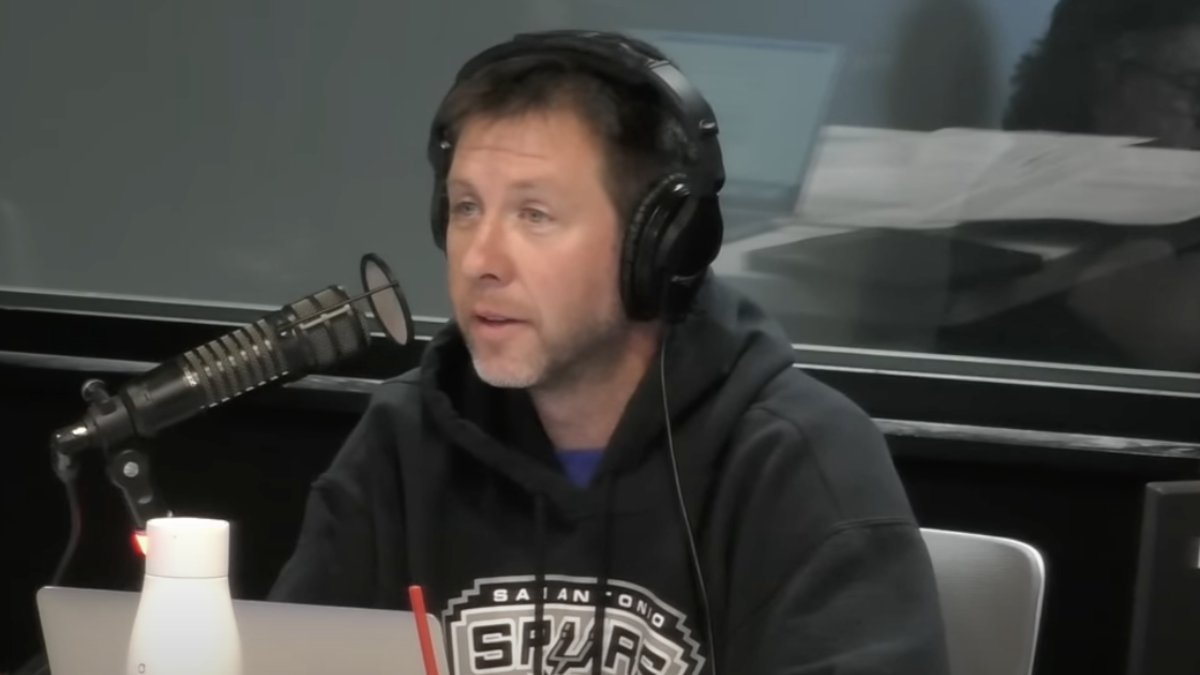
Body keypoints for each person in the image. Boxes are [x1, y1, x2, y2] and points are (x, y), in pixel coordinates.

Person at [269, 29, 949, 675]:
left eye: (535, 215)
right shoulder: (407, 437)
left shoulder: (797, 458)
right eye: (466, 207)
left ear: (655, 245)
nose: (479, 259)